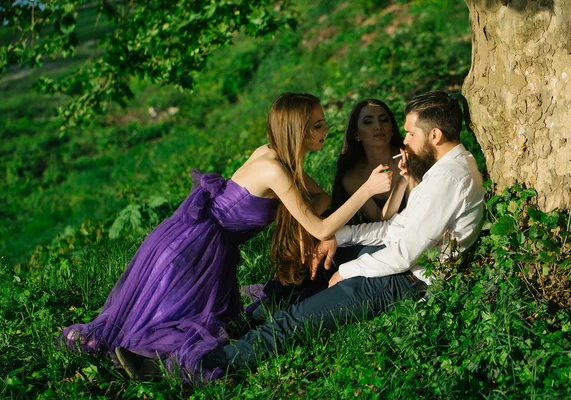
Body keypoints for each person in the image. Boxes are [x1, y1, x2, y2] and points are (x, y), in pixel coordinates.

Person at [60, 93, 393, 382]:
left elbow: (320, 199)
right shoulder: (273, 168)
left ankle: (144, 360)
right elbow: (320, 226)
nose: (326, 131)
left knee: (187, 317)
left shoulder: (278, 157)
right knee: (172, 320)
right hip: (192, 249)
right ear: (299, 130)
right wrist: (366, 190)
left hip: (206, 244)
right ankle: (150, 363)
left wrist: (307, 216)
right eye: (318, 125)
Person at [195, 89, 486, 371]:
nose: (405, 140)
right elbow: (396, 227)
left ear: (434, 135)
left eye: (410, 133)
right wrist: (336, 238)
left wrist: (348, 271)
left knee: (293, 320)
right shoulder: (441, 170)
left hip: (405, 280)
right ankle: (238, 324)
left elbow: (405, 254)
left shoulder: (448, 179)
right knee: (313, 263)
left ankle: (209, 366)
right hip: (395, 260)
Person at [250, 99, 412, 312]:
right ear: (356, 134)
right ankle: (278, 294)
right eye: (368, 122)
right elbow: (379, 218)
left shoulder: (410, 158)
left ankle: (289, 296)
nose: (378, 127)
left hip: (404, 237)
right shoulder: (353, 176)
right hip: (377, 233)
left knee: (331, 242)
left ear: (393, 128)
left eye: (384, 120)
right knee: (322, 241)